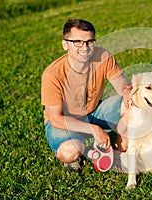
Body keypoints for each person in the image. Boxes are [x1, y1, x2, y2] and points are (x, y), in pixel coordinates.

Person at [41, 18, 131, 173]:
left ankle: (118, 153)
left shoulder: (102, 55)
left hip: (94, 111)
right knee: (70, 151)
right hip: (64, 121)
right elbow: (56, 118)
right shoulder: (52, 74)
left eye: (90, 42)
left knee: (132, 105)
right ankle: (79, 149)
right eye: (77, 42)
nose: (85, 47)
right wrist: (94, 129)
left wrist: (129, 94)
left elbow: (120, 82)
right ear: (65, 44)